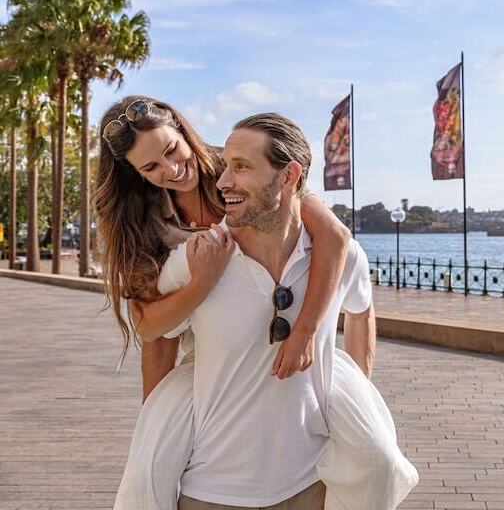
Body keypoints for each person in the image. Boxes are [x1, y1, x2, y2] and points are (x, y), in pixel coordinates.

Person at [94, 98, 417, 509]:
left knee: (378, 457)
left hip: (299, 335)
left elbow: (334, 240)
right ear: (135, 175)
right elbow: (153, 333)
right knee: (148, 470)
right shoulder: (143, 221)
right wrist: (153, 422)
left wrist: (305, 331)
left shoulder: (239, 168)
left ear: (184, 132)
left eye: (173, 151)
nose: (172, 171)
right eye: (151, 168)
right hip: (202, 341)